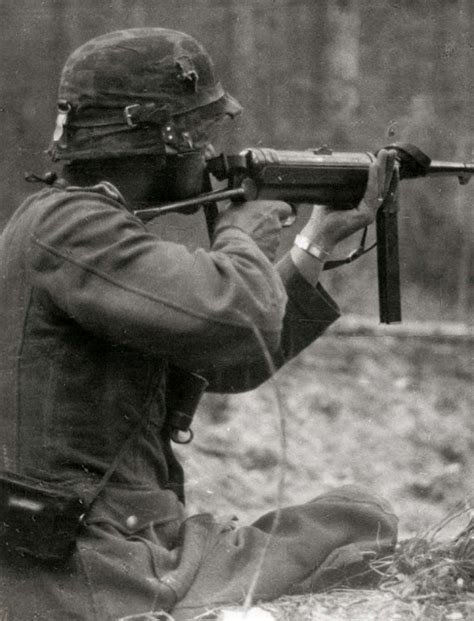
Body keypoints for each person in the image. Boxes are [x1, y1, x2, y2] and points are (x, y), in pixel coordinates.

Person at [0, 28, 398, 621]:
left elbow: (228, 361)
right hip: (99, 564)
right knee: (358, 520)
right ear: (164, 138)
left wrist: (315, 241)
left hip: (97, 545)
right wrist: (240, 233)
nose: (210, 153)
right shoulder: (73, 228)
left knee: (349, 519)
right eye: (202, 131)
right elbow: (238, 320)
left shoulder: (78, 223)